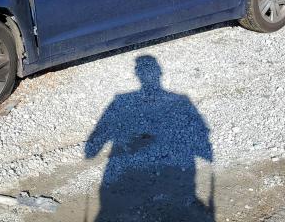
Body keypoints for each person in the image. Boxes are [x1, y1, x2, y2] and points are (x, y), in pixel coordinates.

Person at [85, 56, 214, 221]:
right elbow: (204, 145)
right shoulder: (181, 102)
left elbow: (90, 150)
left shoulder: (120, 101)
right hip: (174, 182)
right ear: (160, 73)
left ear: (137, 75)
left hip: (127, 184)